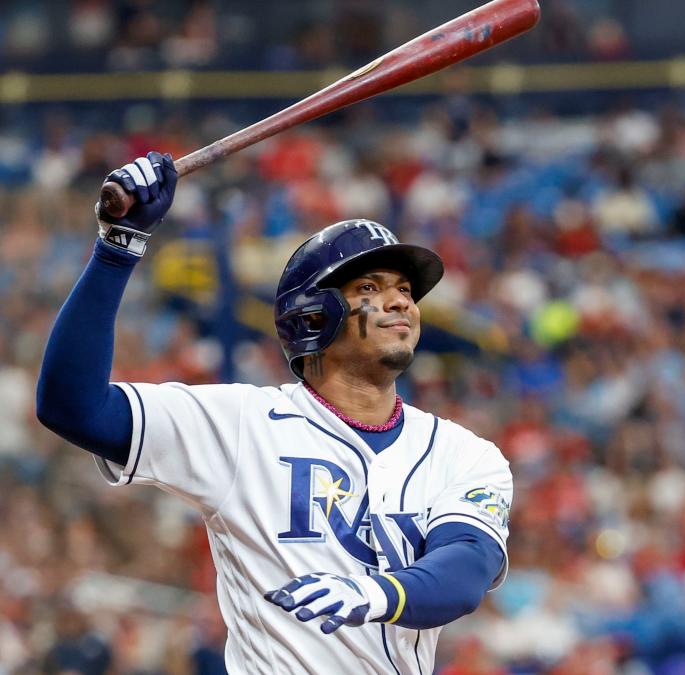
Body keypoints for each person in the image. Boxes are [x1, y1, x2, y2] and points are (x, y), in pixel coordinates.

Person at [36, 152, 514, 674]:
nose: (400, 301)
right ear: (314, 314)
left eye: (404, 289)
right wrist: (116, 251)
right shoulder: (241, 423)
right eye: (370, 288)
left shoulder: (464, 453)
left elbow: (466, 569)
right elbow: (72, 406)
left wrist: (376, 593)